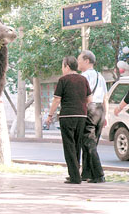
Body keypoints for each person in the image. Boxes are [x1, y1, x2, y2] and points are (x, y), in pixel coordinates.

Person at [46, 56, 92, 184]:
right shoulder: (83, 79)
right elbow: (89, 99)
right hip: (82, 116)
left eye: (62, 66)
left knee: (69, 146)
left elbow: (56, 100)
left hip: (67, 116)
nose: (62, 69)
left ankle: (74, 177)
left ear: (67, 66)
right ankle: (76, 173)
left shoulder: (63, 80)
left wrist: (50, 115)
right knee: (77, 145)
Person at [77, 50, 107, 183]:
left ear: (87, 61)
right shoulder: (100, 76)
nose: (78, 62)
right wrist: (106, 115)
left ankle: (99, 174)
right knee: (92, 143)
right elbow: (105, 97)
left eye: (79, 60)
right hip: (100, 110)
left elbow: (82, 96)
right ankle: (86, 174)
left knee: (88, 143)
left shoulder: (84, 76)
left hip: (89, 108)